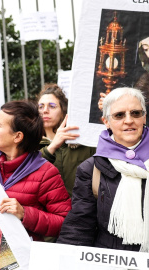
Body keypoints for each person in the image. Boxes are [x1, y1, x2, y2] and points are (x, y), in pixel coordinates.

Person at [58, 87, 149, 251]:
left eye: (135, 113)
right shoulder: (91, 169)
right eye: (119, 115)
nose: (128, 120)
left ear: (144, 117)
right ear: (106, 121)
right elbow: (80, 225)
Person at [0, 101, 71, 241]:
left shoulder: (45, 173)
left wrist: (25, 214)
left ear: (17, 136)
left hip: (23, 256)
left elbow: (65, 222)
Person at [38, 84, 96, 197]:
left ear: (64, 111)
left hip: (81, 211)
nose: (45, 111)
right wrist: (52, 146)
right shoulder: (30, 145)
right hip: (48, 213)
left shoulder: (82, 142)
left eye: (52, 106)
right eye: (41, 106)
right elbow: (28, 173)